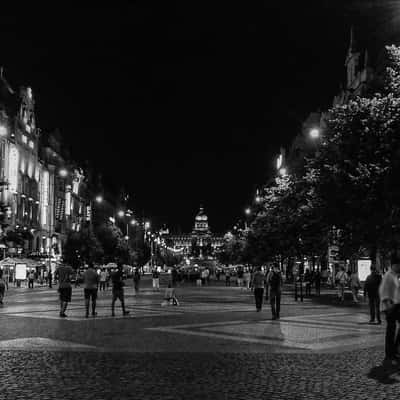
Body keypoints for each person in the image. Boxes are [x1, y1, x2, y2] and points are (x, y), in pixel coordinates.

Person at [379, 254, 400, 365]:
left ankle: (394, 350)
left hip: (395, 306)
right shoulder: (388, 276)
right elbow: (384, 292)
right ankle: (389, 354)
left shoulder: (395, 275)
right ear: (395, 265)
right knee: (390, 331)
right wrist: (388, 307)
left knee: (392, 330)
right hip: (390, 307)